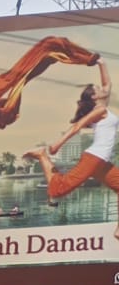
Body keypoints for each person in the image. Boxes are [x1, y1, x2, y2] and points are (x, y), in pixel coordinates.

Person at [23, 62, 119, 236]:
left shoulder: (102, 105)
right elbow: (77, 127)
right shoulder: (100, 110)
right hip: (94, 158)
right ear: (95, 98)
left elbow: (107, 84)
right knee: (58, 190)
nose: (103, 89)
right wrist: (58, 144)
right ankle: (43, 156)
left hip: (102, 161)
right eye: (98, 89)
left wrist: (101, 63)